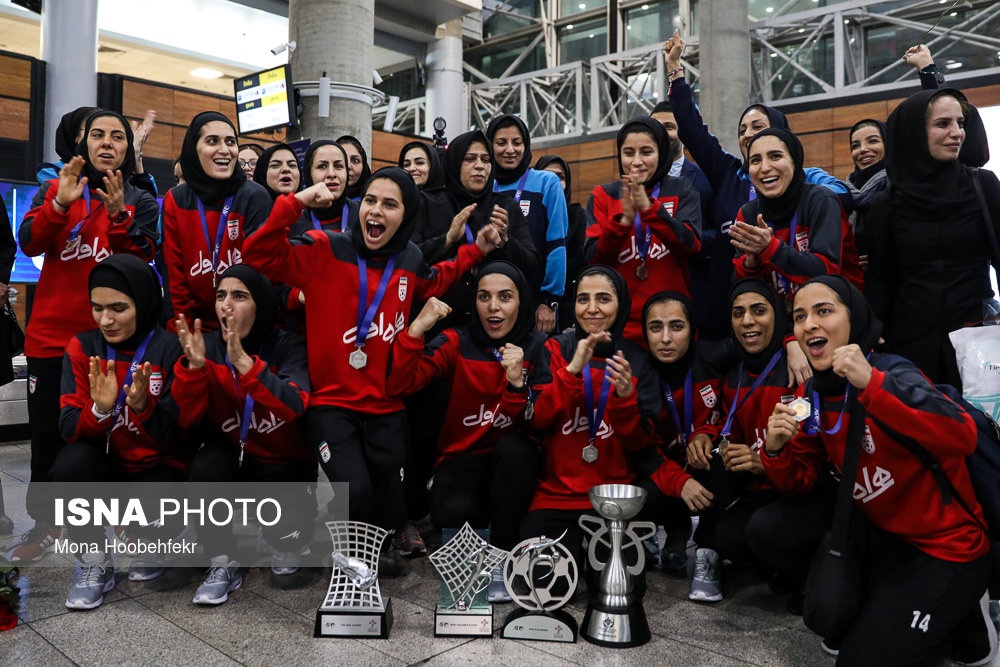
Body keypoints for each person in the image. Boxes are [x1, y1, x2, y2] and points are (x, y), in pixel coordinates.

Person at [243, 167, 502, 572]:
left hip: (386, 403)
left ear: (406, 215)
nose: (376, 211)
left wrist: (475, 250)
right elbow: (257, 254)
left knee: (389, 489)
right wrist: (296, 204)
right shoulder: (323, 249)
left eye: (389, 204)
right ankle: (353, 562)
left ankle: (376, 544)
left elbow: (433, 282)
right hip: (331, 404)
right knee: (356, 489)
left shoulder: (410, 257)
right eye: (370, 200)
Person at [763, 275, 996, 665]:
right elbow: (799, 482)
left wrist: (873, 384)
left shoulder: (893, 371)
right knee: (772, 529)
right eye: (800, 316)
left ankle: (971, 620)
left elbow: (962, 436)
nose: (809, 325)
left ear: (853, 318)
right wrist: (775, 450)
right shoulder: (811, 396)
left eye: (824, 311)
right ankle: (927, 616)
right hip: (887, 539)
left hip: (950, 548)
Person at [10, 111, 159, 562]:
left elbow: (147, 259)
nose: (108, 143)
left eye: (118, 136)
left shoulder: (139, 198)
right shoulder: (59, 186)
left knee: (110, 435)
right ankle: (46, 523)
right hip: (51, 340)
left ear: (128, 147)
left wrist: (118, 218)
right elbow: (29, 241)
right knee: (47, 437)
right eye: (98, 135)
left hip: (112, 342)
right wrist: (58, 206)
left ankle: (116, 521)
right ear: (84, 143)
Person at [662, 29, 850, 348]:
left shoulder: (810, 183)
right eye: (742, 130)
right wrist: (675, 70)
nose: (748, 134)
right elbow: (692, 131)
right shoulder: (728, 173)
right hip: (733, 308)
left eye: (758, 127)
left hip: (802, 316)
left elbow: (844, 199)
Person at [505, 265, 678, 571]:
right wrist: (571, 372)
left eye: (603, 298)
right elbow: (539, 420)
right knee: (546, 584)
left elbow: (641, 443)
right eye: (583, 299)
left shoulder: (637, 360)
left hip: (614, 500)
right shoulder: (555, 348)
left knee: (619, 589)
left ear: (620, 303)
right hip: (555, 498)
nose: (592, 308)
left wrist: (626, 398)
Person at [173, 264, 315, 603]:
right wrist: (193, 371)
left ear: (262, 305)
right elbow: (185, 420)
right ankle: (222, 560)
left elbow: (296, 403)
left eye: (239, 296)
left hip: (282, 463)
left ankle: (280, 535)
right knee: (203, 469)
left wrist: (247, 367)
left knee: (288, 548)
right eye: (221, 296)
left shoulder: (286, 345)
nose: (226, 305)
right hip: (231, 457)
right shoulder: (203, 346)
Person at [387, 261, 547, 556]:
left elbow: (539, 424)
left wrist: (516, 386)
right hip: (462, 460)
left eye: (505, 297)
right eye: (484, 296)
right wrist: (416, 330)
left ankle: (504, 545)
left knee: (515, 450)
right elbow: (400, 386)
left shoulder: (540, 347)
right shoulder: (455, 341)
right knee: (449, 513)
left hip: (516, 466)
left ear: (522, 301)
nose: (493, 307)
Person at [53, 255, 184, 609]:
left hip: (155, 470)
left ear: (143, 303)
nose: (105, 320)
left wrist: (143, 407)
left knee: (165, 501)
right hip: (105, 467)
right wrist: (100, 409)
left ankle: (156, 540)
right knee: (69, 465)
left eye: (118, 308)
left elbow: (181, 436)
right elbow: (68, 428)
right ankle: (95, 562)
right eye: (97, 308)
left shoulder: (169, 348)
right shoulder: (83, 347)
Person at [865, 88, 1000, 389]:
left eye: (961, 123)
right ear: (914, 132)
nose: (957, 133)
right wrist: (872, 328)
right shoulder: (885, 205)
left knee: (982, 433)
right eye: (943, 124)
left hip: (976, 343)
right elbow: (881, 276)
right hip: (909, 347)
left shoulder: (983, 186)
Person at [684, 279, 792, 603]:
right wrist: (703, 435)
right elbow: (722, 422)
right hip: (757, 491)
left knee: (767, 531)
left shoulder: (800, 368)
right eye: (738, 312)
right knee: (709, 455)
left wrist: (767, 460)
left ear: (779, 316)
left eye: (759, 310)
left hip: (799, 492)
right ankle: (709, 552)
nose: (747, 321)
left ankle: (796, 568)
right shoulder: (735, 370)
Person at [586, 116, 702, 345]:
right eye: (629, 153)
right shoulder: (604, 195)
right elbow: (593, 259)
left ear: (661, 153)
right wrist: (622, 222)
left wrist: (650, 210)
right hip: (621, 330)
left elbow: (692, 246)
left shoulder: (682, 189)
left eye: (646, 152)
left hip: (673, 326)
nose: (637, 161)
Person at [415, 129, 539, 331]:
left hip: (492, 328)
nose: (480, 166)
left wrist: (505, 241)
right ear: (454, 162)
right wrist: (447, 239)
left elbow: (531, 265)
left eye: (486, 159)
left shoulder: (504, 207)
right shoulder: (428, 202)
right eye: (470, 159)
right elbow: (410, 261)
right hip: (438, 325)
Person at [161, 112, 272, 332]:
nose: (224, 149)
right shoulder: (176, 199)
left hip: (246, 329)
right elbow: (174, 276)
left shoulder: (255, 196)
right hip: (195, 329)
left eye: (230, 142)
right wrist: (184, 334)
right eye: (213, 141)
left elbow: (261, 275)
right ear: (194, 149)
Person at [730, 128, 863, 299]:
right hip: (783, 320)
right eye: (755, 160)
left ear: (795, 161)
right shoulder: (748, 214)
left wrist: (770, 249)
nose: (764, 168)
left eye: (775, 156)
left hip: (838, 314)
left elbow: (826, 273)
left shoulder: (821, 200)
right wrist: (750, 264)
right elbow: (742, 288)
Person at [641, 291, 718, 574]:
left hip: (700, 460)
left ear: (692, 330)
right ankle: (652, 534)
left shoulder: (712, 359)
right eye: (655, 327)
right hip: (663, 468)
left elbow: (758, 345)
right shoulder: (638, 373)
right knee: (638, 486)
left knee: (719, 460)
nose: (665, 339)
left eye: (676, 327)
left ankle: (709, 549)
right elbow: (641, 449)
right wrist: (678, 481)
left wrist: (791, 340)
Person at [486, 114, 568, 333]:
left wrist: (549, 301)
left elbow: (557, 245)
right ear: (490, 147)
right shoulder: (484, 186)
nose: (510, 149)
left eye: (517, 142)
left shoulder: (546, 182)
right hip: (492, 305)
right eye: (501, 142)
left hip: (536, 301)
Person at [534, 155, 588, 330]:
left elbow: (577, 260)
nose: (554, 182)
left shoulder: (576, 214)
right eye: (547, 175)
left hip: (563, 305)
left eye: (560, 177)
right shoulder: (528, 215)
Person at [337, 135, 372, 201]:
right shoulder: (316, 201)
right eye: (341, 159)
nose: (348, 166)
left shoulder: (372, 204)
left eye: (355, 160)